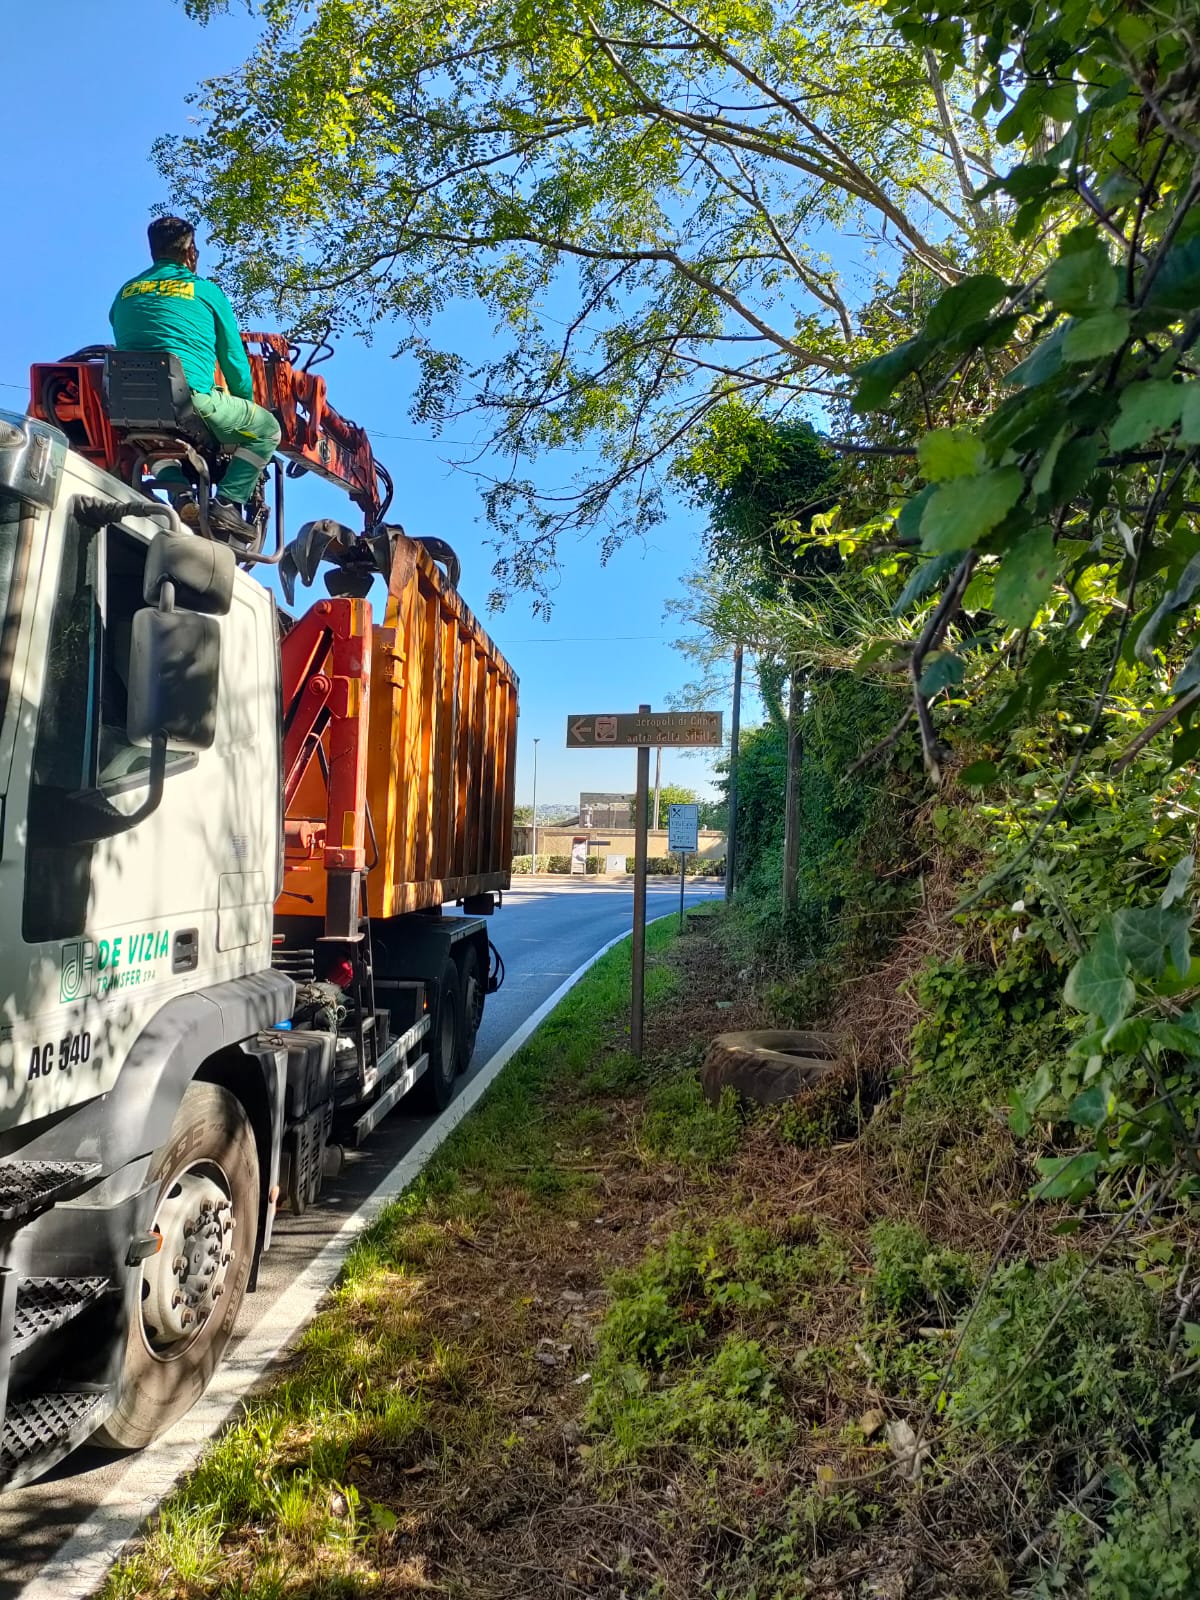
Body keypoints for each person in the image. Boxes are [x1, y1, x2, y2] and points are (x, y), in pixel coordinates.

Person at [110, 216, 281, 540]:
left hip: (129, 405)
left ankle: (181, 497)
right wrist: (241, 411)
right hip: (191, 401)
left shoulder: (124, 294)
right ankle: (228, 505)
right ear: (190, 252)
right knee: (267, 429)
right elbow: (234, 362)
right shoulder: (206, 292)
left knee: (151, 437)